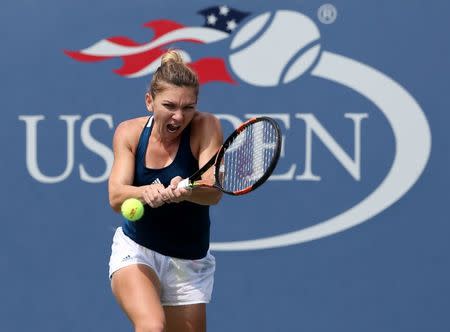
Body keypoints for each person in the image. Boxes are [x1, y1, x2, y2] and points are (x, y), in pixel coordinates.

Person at [108, 49, 223, 332]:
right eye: (169, 105)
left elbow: (213, 191)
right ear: (150, 101)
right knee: (151, 325)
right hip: (137, 250)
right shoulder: (129, 133)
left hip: (189, 261)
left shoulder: (206, 126)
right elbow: (116, 196)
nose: (178, 116)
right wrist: (145, 192)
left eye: (188, 107)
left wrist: (186, 192)